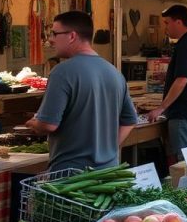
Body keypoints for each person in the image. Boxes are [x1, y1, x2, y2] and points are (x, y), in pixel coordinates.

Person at [26, 11, 137, 171]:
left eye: (55, 33)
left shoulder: (62, 72)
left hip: (71, 174)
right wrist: (109, 149)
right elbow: (130, 120)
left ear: (72, 36)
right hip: (108, 172)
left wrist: (34, 123)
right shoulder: (114, 72)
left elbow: (49, 125)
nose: (51, 39)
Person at [147, 5, 187, 163]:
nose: (165, 28)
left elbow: (181, 80)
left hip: (183, 113)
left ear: (178, 22)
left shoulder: (185, 46)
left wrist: (161, 108)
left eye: (167, 23)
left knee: (183, 164)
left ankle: (185, 189)